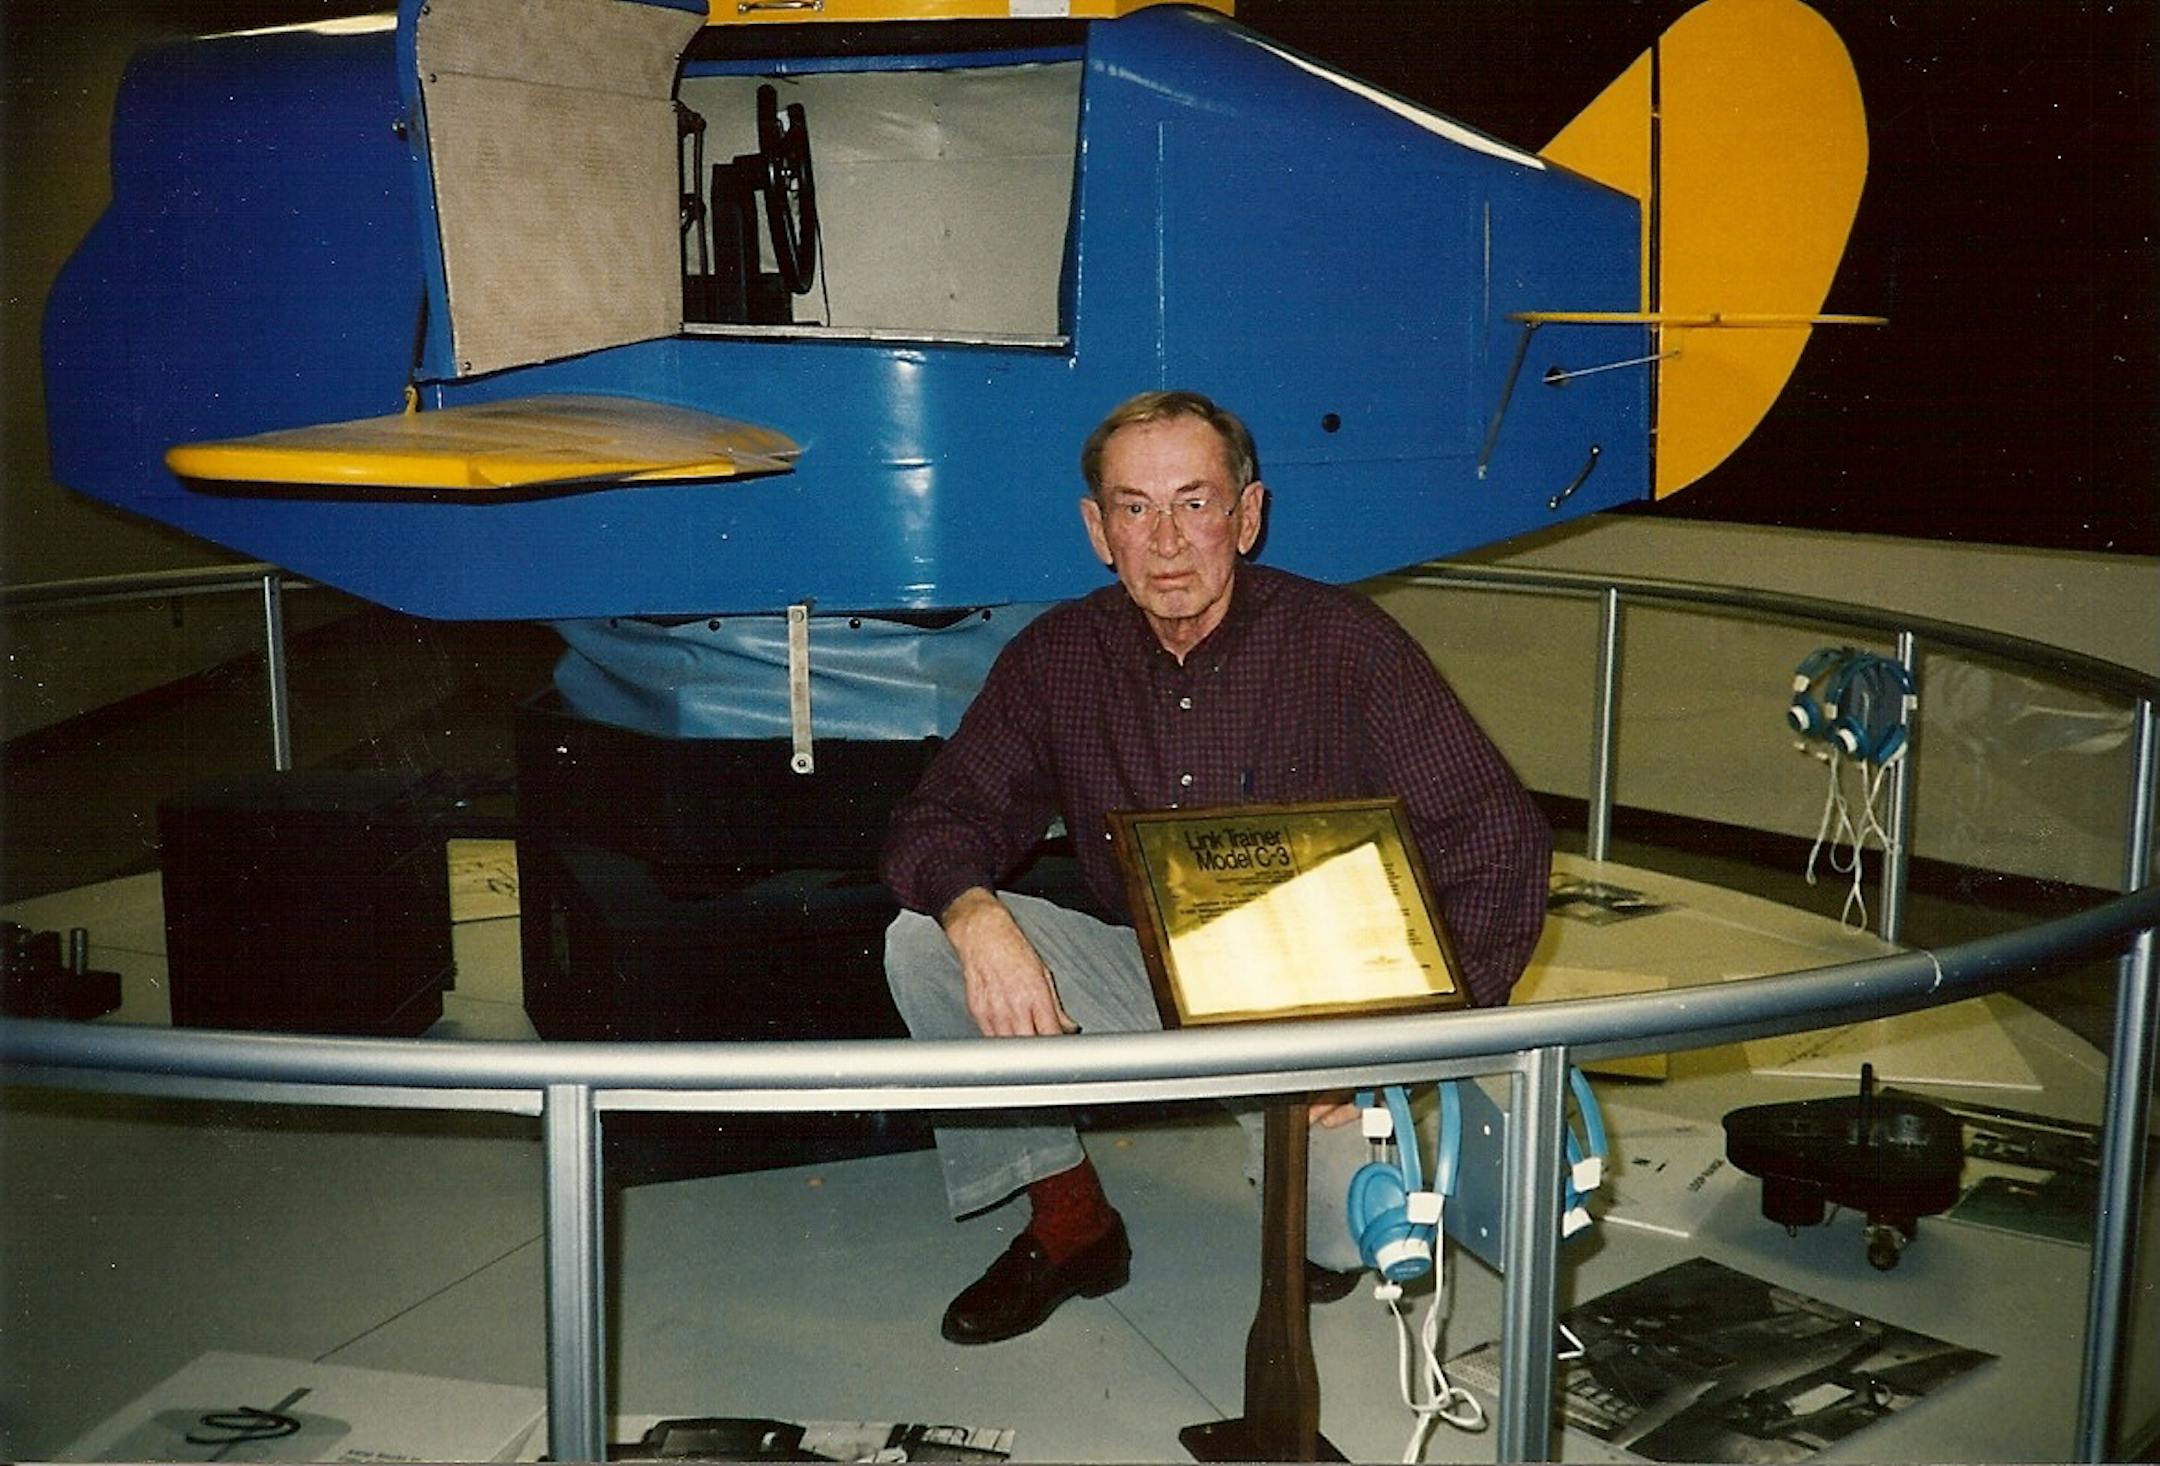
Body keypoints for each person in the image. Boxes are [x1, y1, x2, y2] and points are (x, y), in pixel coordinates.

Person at [880, 389, 1551, 1345]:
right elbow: (937, 818)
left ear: (1248, 515)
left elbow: (1500, 845)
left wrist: (1394, 1041)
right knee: (926, 941)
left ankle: (1315, 1193)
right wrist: (979, 918)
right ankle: (1071, 1224)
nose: (1166, 540)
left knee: (1341, 1244)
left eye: (1195, 503)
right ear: (1097, 530)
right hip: (1149, 983)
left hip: (1317, 1022)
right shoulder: (1059, 657)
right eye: (1135, 507)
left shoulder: (1347, 646)